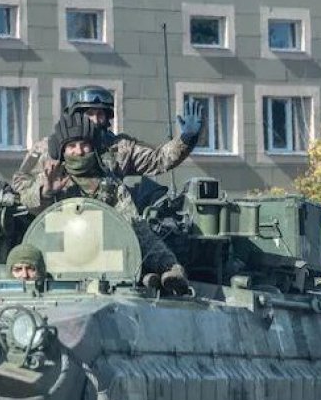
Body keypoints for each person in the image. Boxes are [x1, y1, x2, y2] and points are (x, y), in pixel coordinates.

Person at [13, 114, 189, 294]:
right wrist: (47, 191)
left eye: (84, 145)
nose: (79, 152)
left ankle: (167, 271)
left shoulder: (110, 185)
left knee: (142, 230)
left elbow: (131, 226)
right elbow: (30, 204)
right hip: (59, 263)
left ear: (94, 147)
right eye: (71, 146)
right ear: (61, 151)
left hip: (106, 259)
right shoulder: (52, 177)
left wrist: (164, 263)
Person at [16, 86, 205, 192]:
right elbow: (19, 183)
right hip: (59, 221)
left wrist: (186, 139)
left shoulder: (120, 148)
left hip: (109, 221)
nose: (96, 120)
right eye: (89, 114)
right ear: (76, 116)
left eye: (101, 114)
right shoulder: (48, 147)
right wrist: (45, 188)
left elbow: (159, 160)